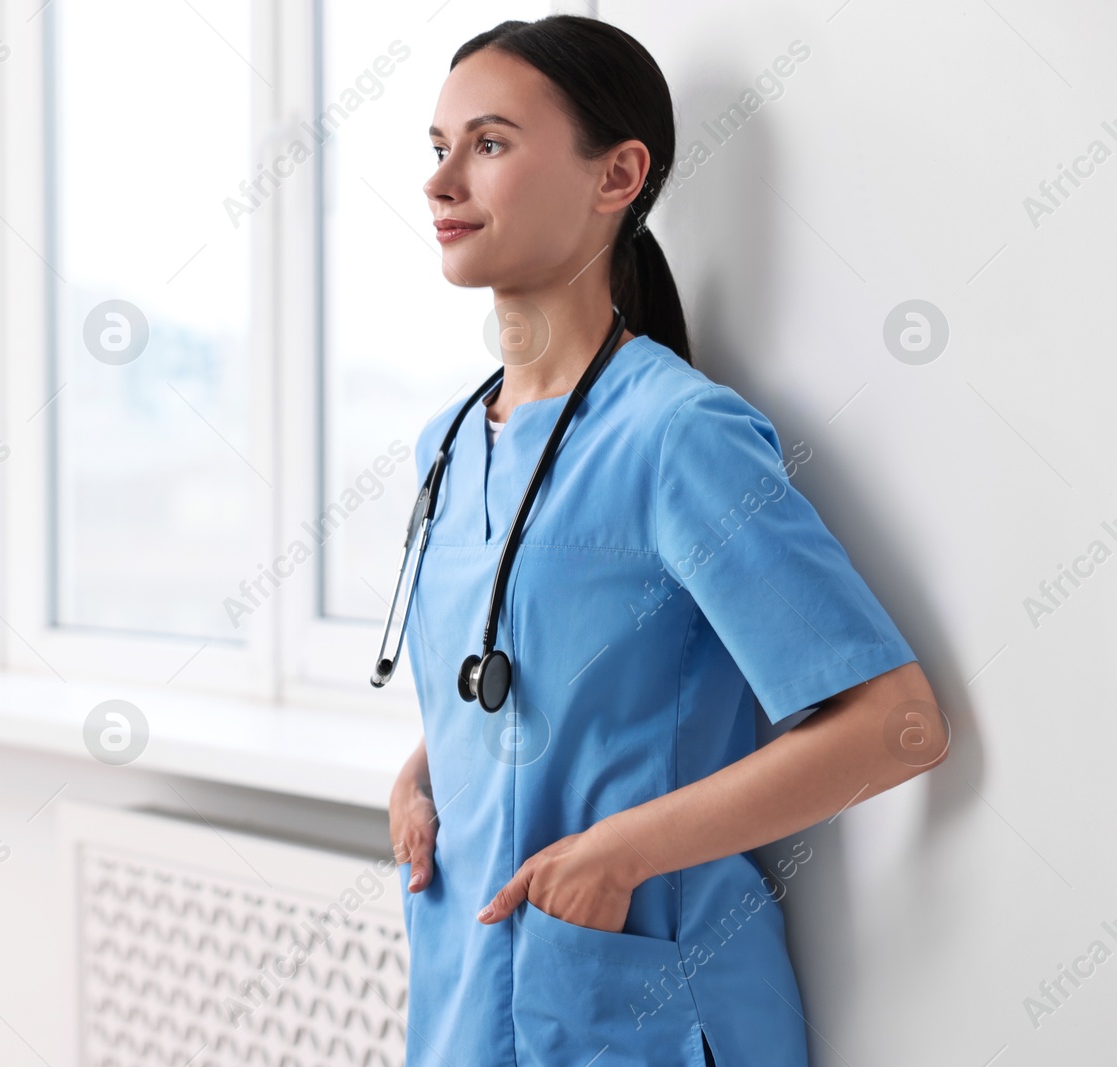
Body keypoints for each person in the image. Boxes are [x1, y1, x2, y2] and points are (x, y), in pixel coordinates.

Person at [386, 15, 946, 1066]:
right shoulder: (450, 444)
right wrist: (420, 772)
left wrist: (619, 852)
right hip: (466, 999)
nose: (441, 180)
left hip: (636, 1007)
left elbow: (898, 723)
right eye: (437, 147)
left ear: (618, 176)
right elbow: (532, 665)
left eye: (490, 144)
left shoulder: (676, 436)